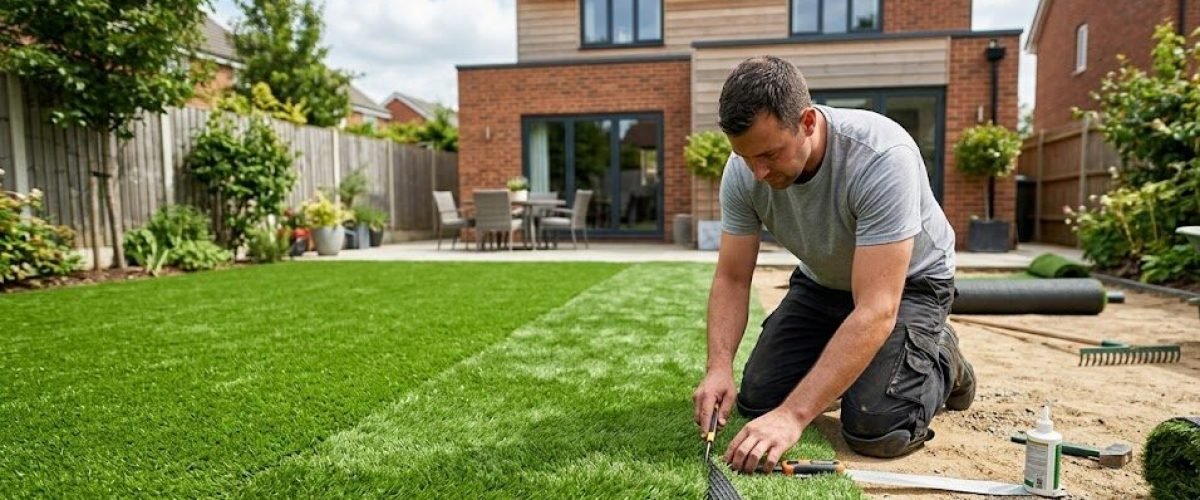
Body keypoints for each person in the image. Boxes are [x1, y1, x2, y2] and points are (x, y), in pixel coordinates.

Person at [690, 56, 976, 474]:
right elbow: (732, 278)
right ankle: (862, 363)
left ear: (807, 121)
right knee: (758, 399)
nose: (759, 171)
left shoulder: (880, 157)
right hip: (822, 282)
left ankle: (943, 355)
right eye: (747, 157)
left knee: (878, 427)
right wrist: (718, 367)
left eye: (769, 154)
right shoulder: (743, 171)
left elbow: (877, 309)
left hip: (910, 285)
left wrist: (794, 417)